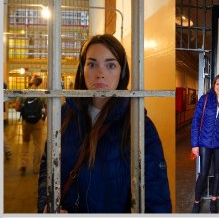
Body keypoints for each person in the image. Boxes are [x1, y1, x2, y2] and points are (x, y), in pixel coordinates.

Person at [36, 34, 171, 213]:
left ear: (122, 72)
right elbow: (48, 166)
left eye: (110, 65)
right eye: (92, 64)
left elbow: (156, 196)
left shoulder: (139, 126)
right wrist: (47, 205)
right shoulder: (64, 114)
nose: (100, 74)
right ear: (82, 70)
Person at [189, 75, 219, 213]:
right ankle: (197, 202)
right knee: (203, 174)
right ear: (213, 85)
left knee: (217, 173)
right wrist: (194, 144)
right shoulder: (204, 99)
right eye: (218, 84)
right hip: (204, 141)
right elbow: (196, 121)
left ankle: (214, 200)